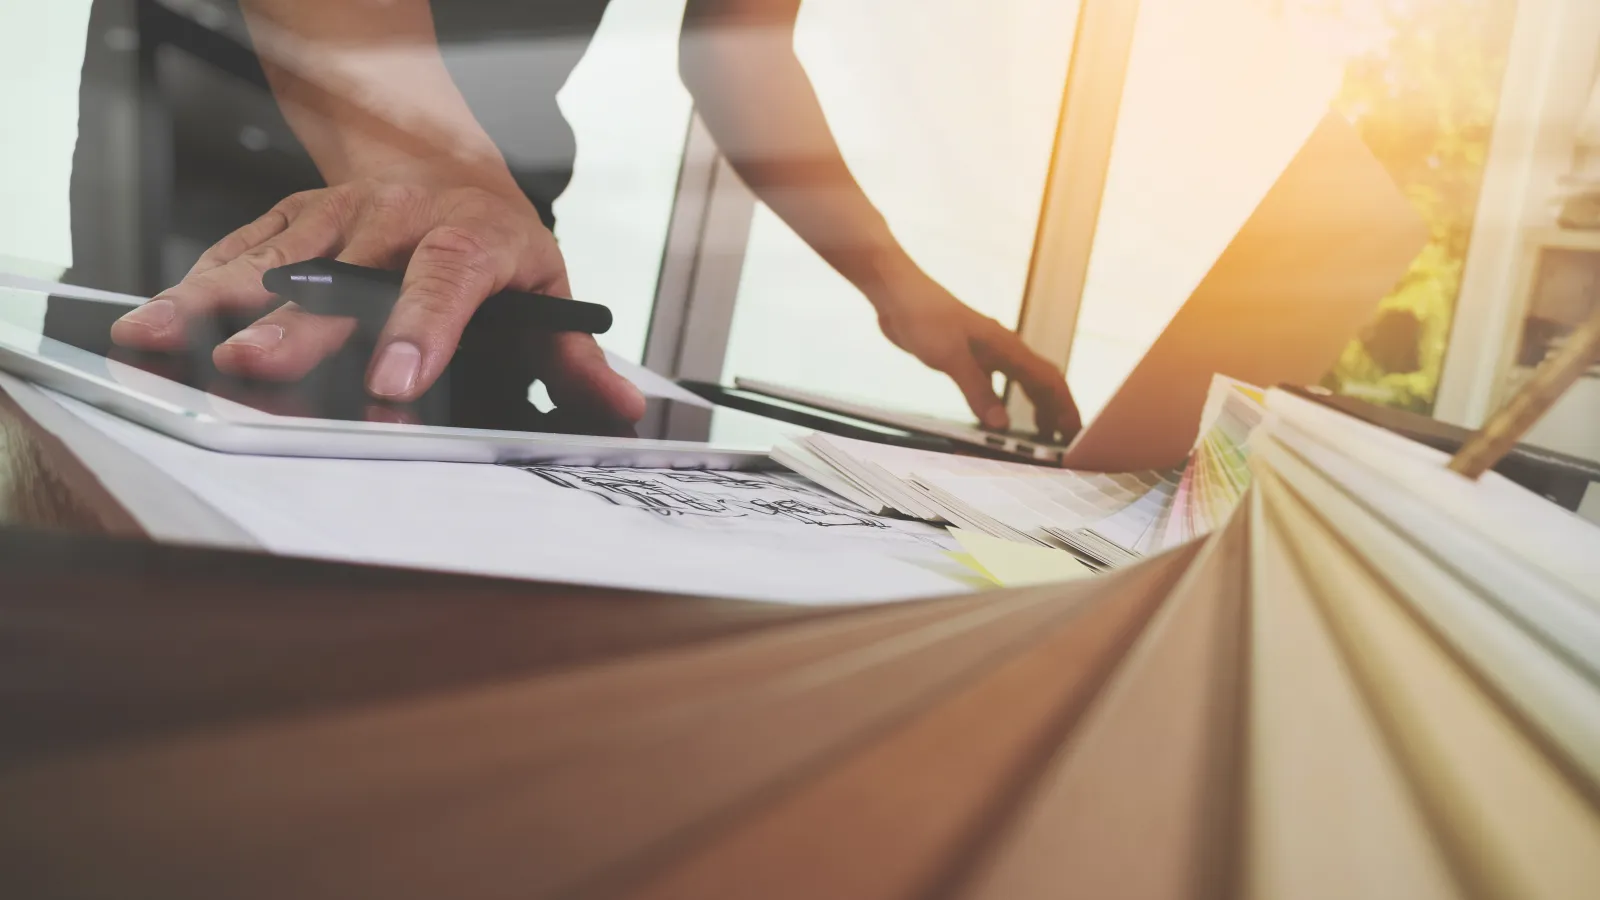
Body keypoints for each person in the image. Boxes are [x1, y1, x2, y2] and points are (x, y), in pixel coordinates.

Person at [110, 0, 1080, 438]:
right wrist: (427, 168)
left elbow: (739, 44)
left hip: (500, 210)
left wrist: (895, 286)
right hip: (235, 139)